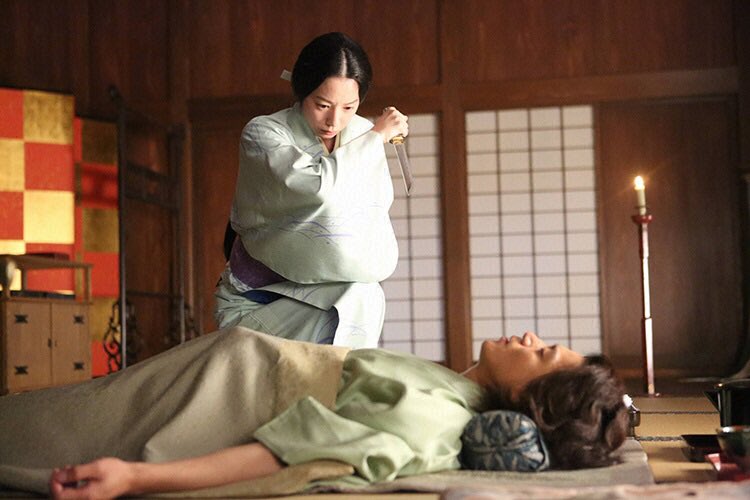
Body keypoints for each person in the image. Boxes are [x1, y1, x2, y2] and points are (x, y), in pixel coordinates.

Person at [0, 328, 628, 499]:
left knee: (33, 433)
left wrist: (136, 478)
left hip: (201, 408)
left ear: (527, 400)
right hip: (200, 379)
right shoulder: (453, 390)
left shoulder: (432, 421)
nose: (529, 337)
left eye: (542, 353)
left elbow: (286, 455)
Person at [215, 32, 408, 349]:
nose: (334, 120)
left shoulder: (361, 132)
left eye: (349, 107)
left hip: (323, 294)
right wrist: (375, 139)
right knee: (358, 300)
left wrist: (370, 138)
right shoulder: (263, 133)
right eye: (322, 105)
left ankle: (340, 380)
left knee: (366, 294)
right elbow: (320, 189)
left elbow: (375, 207)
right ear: (301, 90)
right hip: (258, 303)